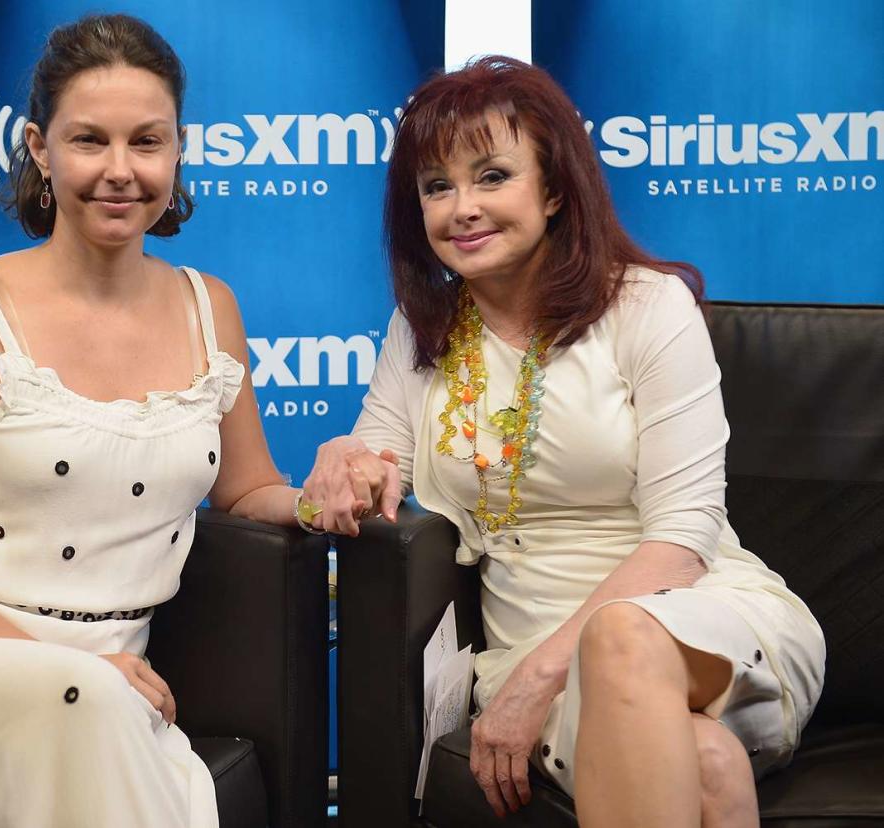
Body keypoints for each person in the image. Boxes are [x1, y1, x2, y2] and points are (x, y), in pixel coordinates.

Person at [300, 56, 825, 826]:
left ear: (551, 191)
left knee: (620, 638)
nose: (462, 208)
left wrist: (541, 679)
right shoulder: (423, 330)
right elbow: (378, 462)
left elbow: (684, 535)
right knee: (706, 762)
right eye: (436, 187)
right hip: (531, 643)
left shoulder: (647, 305)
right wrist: (339, 459)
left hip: (696, 618)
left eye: (491, 176)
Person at [0, 14, 305, 827]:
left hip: (112, 686)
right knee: (83, 706)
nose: (120, 171)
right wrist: (55, 667)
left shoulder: (211, 308)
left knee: (92, 711)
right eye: (89, 140)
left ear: (177, 151)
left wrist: (317, 502)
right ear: (39, 148)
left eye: (147, 142)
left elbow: (248, 486)